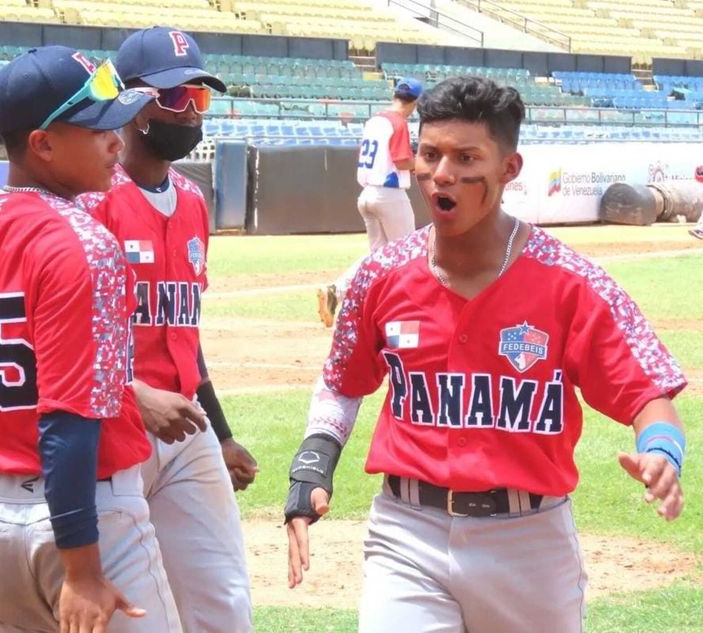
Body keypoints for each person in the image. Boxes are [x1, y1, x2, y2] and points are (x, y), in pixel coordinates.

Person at [285, 76, 687, 633]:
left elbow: (648, 393)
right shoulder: (381, 275)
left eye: (466, 157)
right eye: (430, 155)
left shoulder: (571, 282)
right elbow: (342, 381)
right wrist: (313, 464)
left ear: (509, 169)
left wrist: (662, 452)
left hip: (529, 544)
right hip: (407, 532)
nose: (442, 174)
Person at [0, 46, 183, 632]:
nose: (117, 141)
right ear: (43, 144)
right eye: (98, 127)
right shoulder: (82, 241)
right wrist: (82, 568)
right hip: (85, 519)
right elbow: (68, 417)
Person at [79, 26, 256, 633]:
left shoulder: (194, 199)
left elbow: (187, 333)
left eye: (198, 99)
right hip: (110, 426)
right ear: (129, 102)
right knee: (132, 609)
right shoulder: (92, 199)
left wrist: (223, 432)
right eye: (173, 98)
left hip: (185, 426)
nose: (189, 112)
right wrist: (128, 389)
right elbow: (63, 331)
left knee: (223, 593)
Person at [316, 77, 422, 327]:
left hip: (367, 195)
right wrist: (424, 163)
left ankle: (338, 291)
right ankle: (407, 311)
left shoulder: (375, 120)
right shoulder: (398, 122)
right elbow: (402, 160)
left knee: (379, 256)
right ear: (415, 103)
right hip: (389, 194)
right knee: (409, 254)